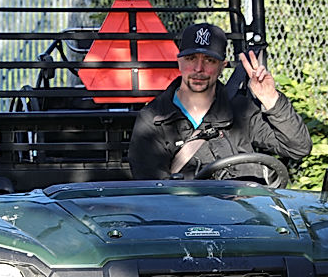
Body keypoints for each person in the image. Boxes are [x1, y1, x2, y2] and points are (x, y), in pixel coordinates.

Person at [127, 22, 311, 181]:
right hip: (186, 217)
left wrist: (270, 98)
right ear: (179, 62)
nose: (199, 69)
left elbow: (298, 148)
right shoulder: (154, 118)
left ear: (222, 66)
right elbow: (153, 190)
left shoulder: (242, 111)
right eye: (191, 59)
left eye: (209, 60)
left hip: (245, 214)